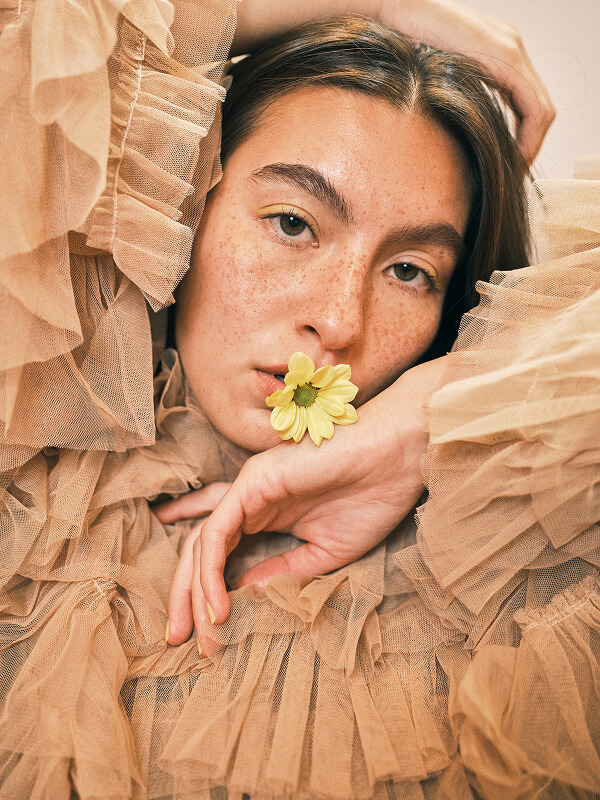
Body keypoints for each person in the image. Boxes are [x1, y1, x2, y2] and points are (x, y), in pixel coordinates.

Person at [1, 2, 580, 800]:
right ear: (182, 200)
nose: (340, 321)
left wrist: (434, 411)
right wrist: (376, 3)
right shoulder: (29, 440)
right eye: (292, 222)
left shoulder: (504, 545)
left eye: (411, 271)